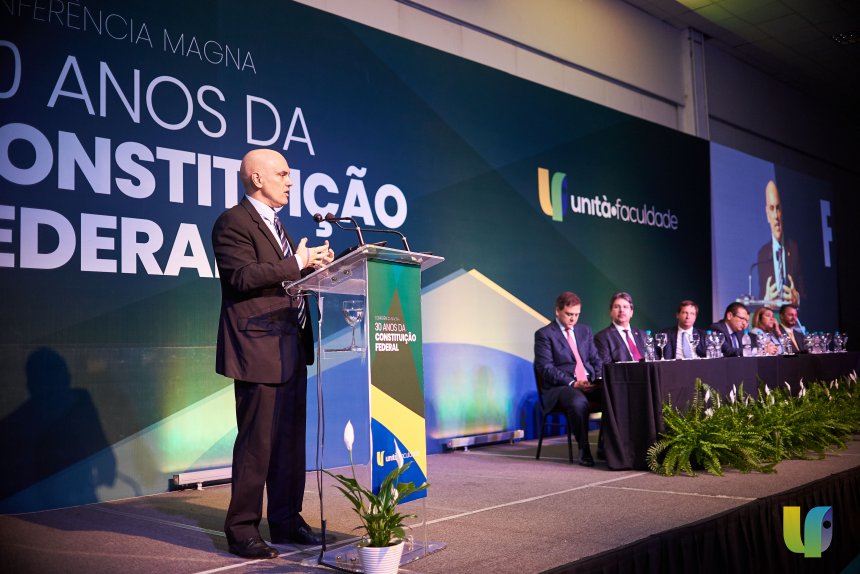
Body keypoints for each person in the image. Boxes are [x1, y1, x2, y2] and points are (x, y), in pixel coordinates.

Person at [212, 148, 335, 559]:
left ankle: (285, 519)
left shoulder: (279, 226)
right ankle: (242, 529)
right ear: (257, 178)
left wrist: (314, 268)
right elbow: (241, 277)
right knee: (256, 445)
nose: (290, 181)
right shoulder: (233, 222)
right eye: (282, 174)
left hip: (290, 345)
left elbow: (283, 279)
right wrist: (296, 262)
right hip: (257, 347)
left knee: (288, 443)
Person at [534, 292, 603, 466]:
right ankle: (584, 449)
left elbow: (596, 359)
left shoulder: (585, 331)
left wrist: (597, 378)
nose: (573, 319)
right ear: (558, 311)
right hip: (561, 388)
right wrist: (573, 383)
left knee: (615, 395)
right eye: (569, 314)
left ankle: (606, 447)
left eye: (577, 314)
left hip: (588, 383)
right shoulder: (544, 334)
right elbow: (546, 368)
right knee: (577, 401)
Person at [757, 180, 802, 305]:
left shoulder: (795, 249)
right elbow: (762, 297)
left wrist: (797, 299)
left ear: (782, 211)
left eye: (778, 208)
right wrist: (766, 302)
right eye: (771, 209)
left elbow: (806, 293)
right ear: (767, 215)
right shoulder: (762, 255)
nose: (776, 216)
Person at [594, 292, 648, 364]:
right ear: (610, 312)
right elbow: (607, 366)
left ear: (631, 312)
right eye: (617, 307)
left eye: (625, 307)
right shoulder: (602, 338)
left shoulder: (642, 334)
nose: (621, 310)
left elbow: (653, 359)